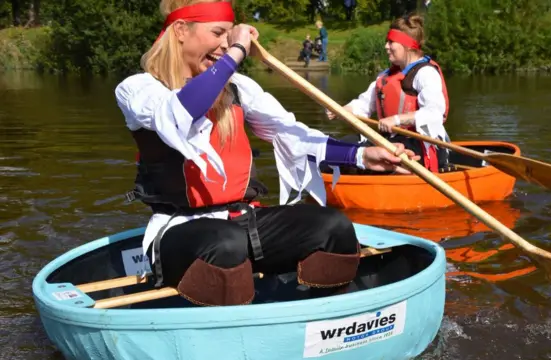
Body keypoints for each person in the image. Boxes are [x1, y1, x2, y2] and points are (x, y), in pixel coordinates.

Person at [114, 0, 420, 307]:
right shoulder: (139, 90)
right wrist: (238, 52)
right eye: (218, 33)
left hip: (242, 224)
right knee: (226, 244)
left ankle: (322, 318)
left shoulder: (237, 88)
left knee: (333, 226)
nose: (225, 44)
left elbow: (294, 135)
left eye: (229, 36)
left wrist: (362, 156)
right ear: (181, 30)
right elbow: (180, 112)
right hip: (179, 230)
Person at [326, 13, 451, 173]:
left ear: (407, 45)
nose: (386, 46)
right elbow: (364, 104)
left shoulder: (426, 73)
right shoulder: (385, 76)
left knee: (368, 160)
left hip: (420, 143)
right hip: (390, 141)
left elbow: (434, 113)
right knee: (336, 149)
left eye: (391, 42)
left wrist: (397, 119)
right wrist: (342, 110)